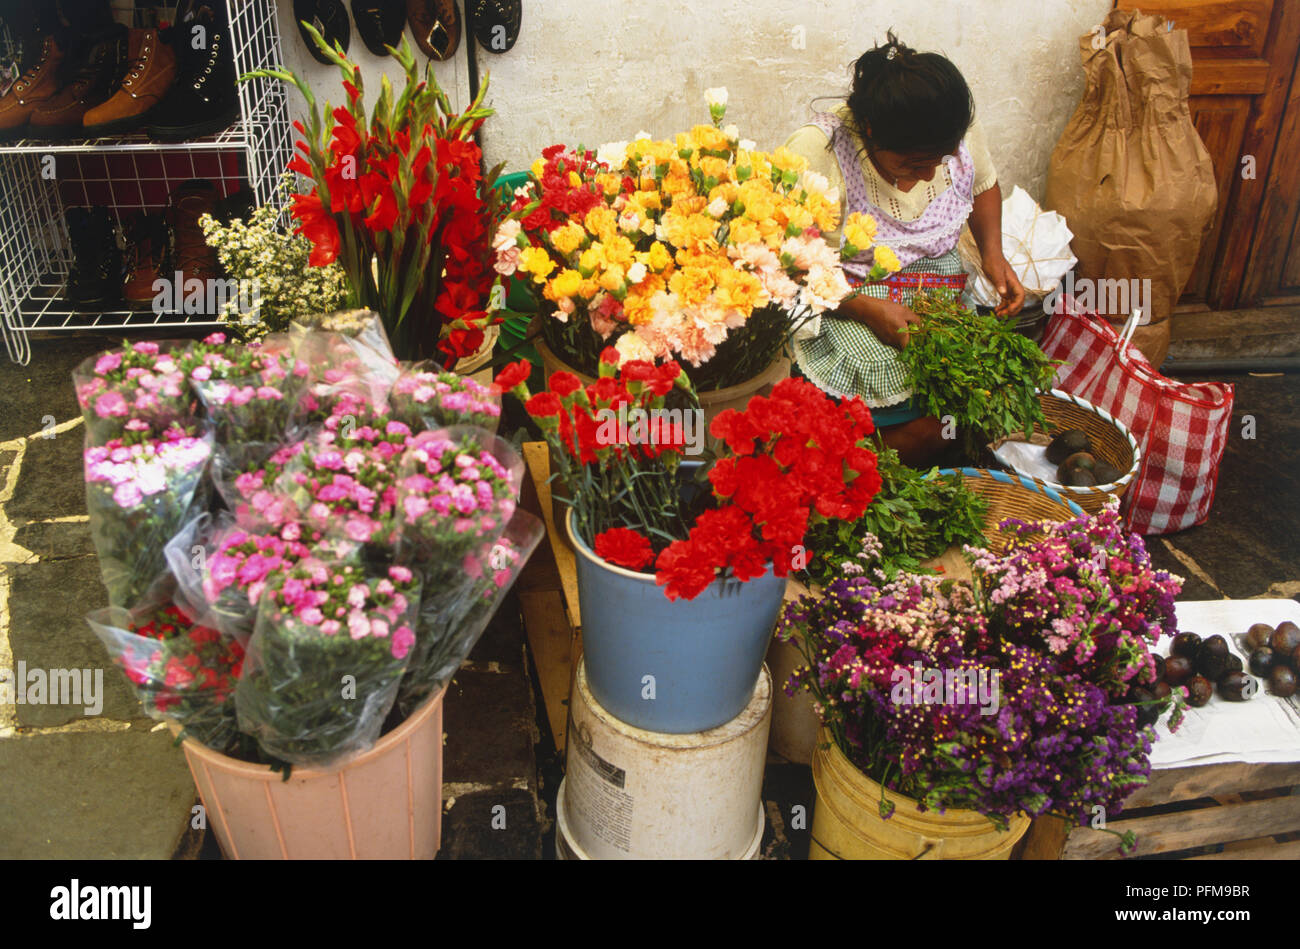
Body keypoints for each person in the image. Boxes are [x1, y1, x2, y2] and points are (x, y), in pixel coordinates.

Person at [784, 31, 1024, 466]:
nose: (928, 175)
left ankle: (899, 445)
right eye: (912, 164)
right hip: (846, 292)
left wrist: (993, 254)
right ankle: (833, 459)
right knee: (923, 427)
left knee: (980, 397)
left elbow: (984, 185)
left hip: (939, 288)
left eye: (938, 162)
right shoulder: (819, 151)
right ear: (873, 132)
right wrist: (868, 309)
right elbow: (791, 263)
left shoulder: (950, 128)